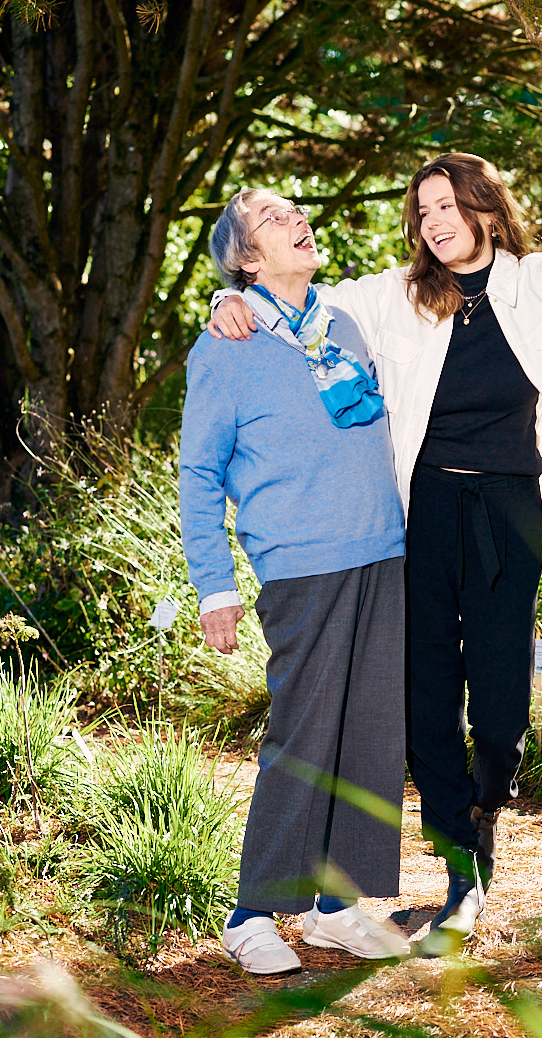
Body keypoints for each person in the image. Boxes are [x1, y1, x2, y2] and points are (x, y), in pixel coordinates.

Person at [208, 79, 542, 954]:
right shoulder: (397, 296)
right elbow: (298, 304)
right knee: (426, 699)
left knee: (500, 706)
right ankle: (461, 874)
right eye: (422, 210)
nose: (433, 220)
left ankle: (485, 814)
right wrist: (225, 298)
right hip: (422, 512)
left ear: (485, 208)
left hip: (508, 510)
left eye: (447, 204)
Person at [179, 188, 411, 973]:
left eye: (294, 210)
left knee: (371, 734)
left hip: (382, 551)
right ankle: (251, 914)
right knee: (303, 738)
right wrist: (215, 586)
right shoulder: (225, 346)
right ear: (246, 258)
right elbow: (199, 472)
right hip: (300, 565)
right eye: (272, 219)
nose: (297, 220)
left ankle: (335, 908)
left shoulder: (342, 322)